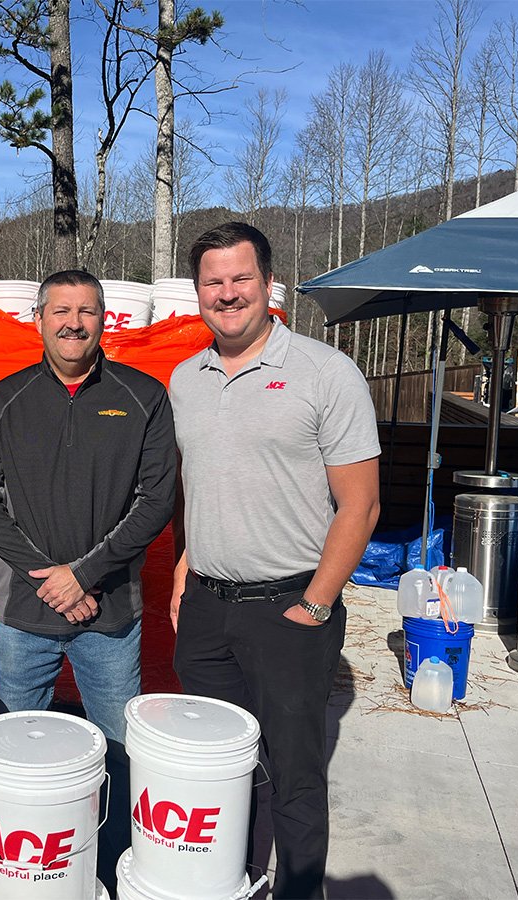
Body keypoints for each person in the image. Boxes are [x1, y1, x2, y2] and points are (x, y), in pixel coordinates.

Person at [169, 222, 380, 900]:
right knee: (218, 766)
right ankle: (222, 881)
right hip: (206, 610)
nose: (227, 294)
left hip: (288, 608)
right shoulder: (185, 379)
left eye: (240, 279)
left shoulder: (325, 373)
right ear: (197, 290)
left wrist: (315, 603)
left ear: (267, 284)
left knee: (293, 774)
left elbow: (362, 505)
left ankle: (293, 890)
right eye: (213, 281)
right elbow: (199, 488)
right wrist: (183, 570)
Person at [0, 268, 176, 890]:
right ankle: (10, 872)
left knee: (115, 755)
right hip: (24, 618)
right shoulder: (3, 400)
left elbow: (157, 500)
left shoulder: (144, 397)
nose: (73, 322)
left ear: (103, 319)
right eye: (61, 310)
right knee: (8, 750)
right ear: (39, 318)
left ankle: (108, 873)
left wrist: (84, 575)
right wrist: (48, 580)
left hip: (108, 619)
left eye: (86, 311)